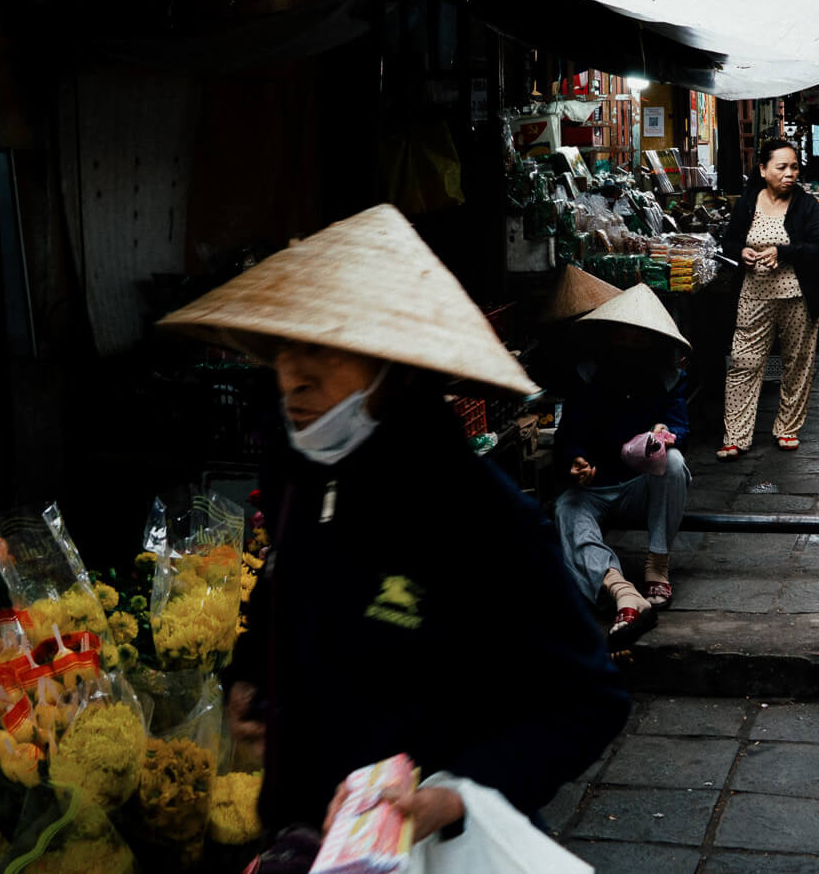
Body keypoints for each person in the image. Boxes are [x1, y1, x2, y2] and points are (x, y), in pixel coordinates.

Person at [159, 204, 630, 842]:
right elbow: (283, 595)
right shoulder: (302, 477)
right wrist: (248, 678)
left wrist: (457, 793)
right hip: (305, 836)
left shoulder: (480, 515)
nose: (292, 374)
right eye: (283, 347)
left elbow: (587, 700)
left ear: (395, 366)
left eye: (322, 346)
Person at [549, 284, 693, 643]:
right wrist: (577, 461)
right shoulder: (587, 376)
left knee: (674, 464)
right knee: (566, 511)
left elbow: (680, 426)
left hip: (641, 487)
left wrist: (665, 432)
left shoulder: (666, 378)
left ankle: (657, 564)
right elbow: (568, 436)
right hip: (596, 489)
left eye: (638, 338)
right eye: (622, 336)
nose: (628, 344)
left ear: (652, 341)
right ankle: (620, 590)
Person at [718, 138, 819, 456]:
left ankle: (788, 428)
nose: (790, 173)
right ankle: (736, 436)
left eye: (794, 167)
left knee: (797, 365)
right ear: (763, 169)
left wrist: (782, 252)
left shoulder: (806, 205)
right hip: (754, 296)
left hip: (797, 297)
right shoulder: (748, 201)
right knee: (744, 362)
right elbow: (729, 242)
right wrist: (742, 252)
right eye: (782, 167)